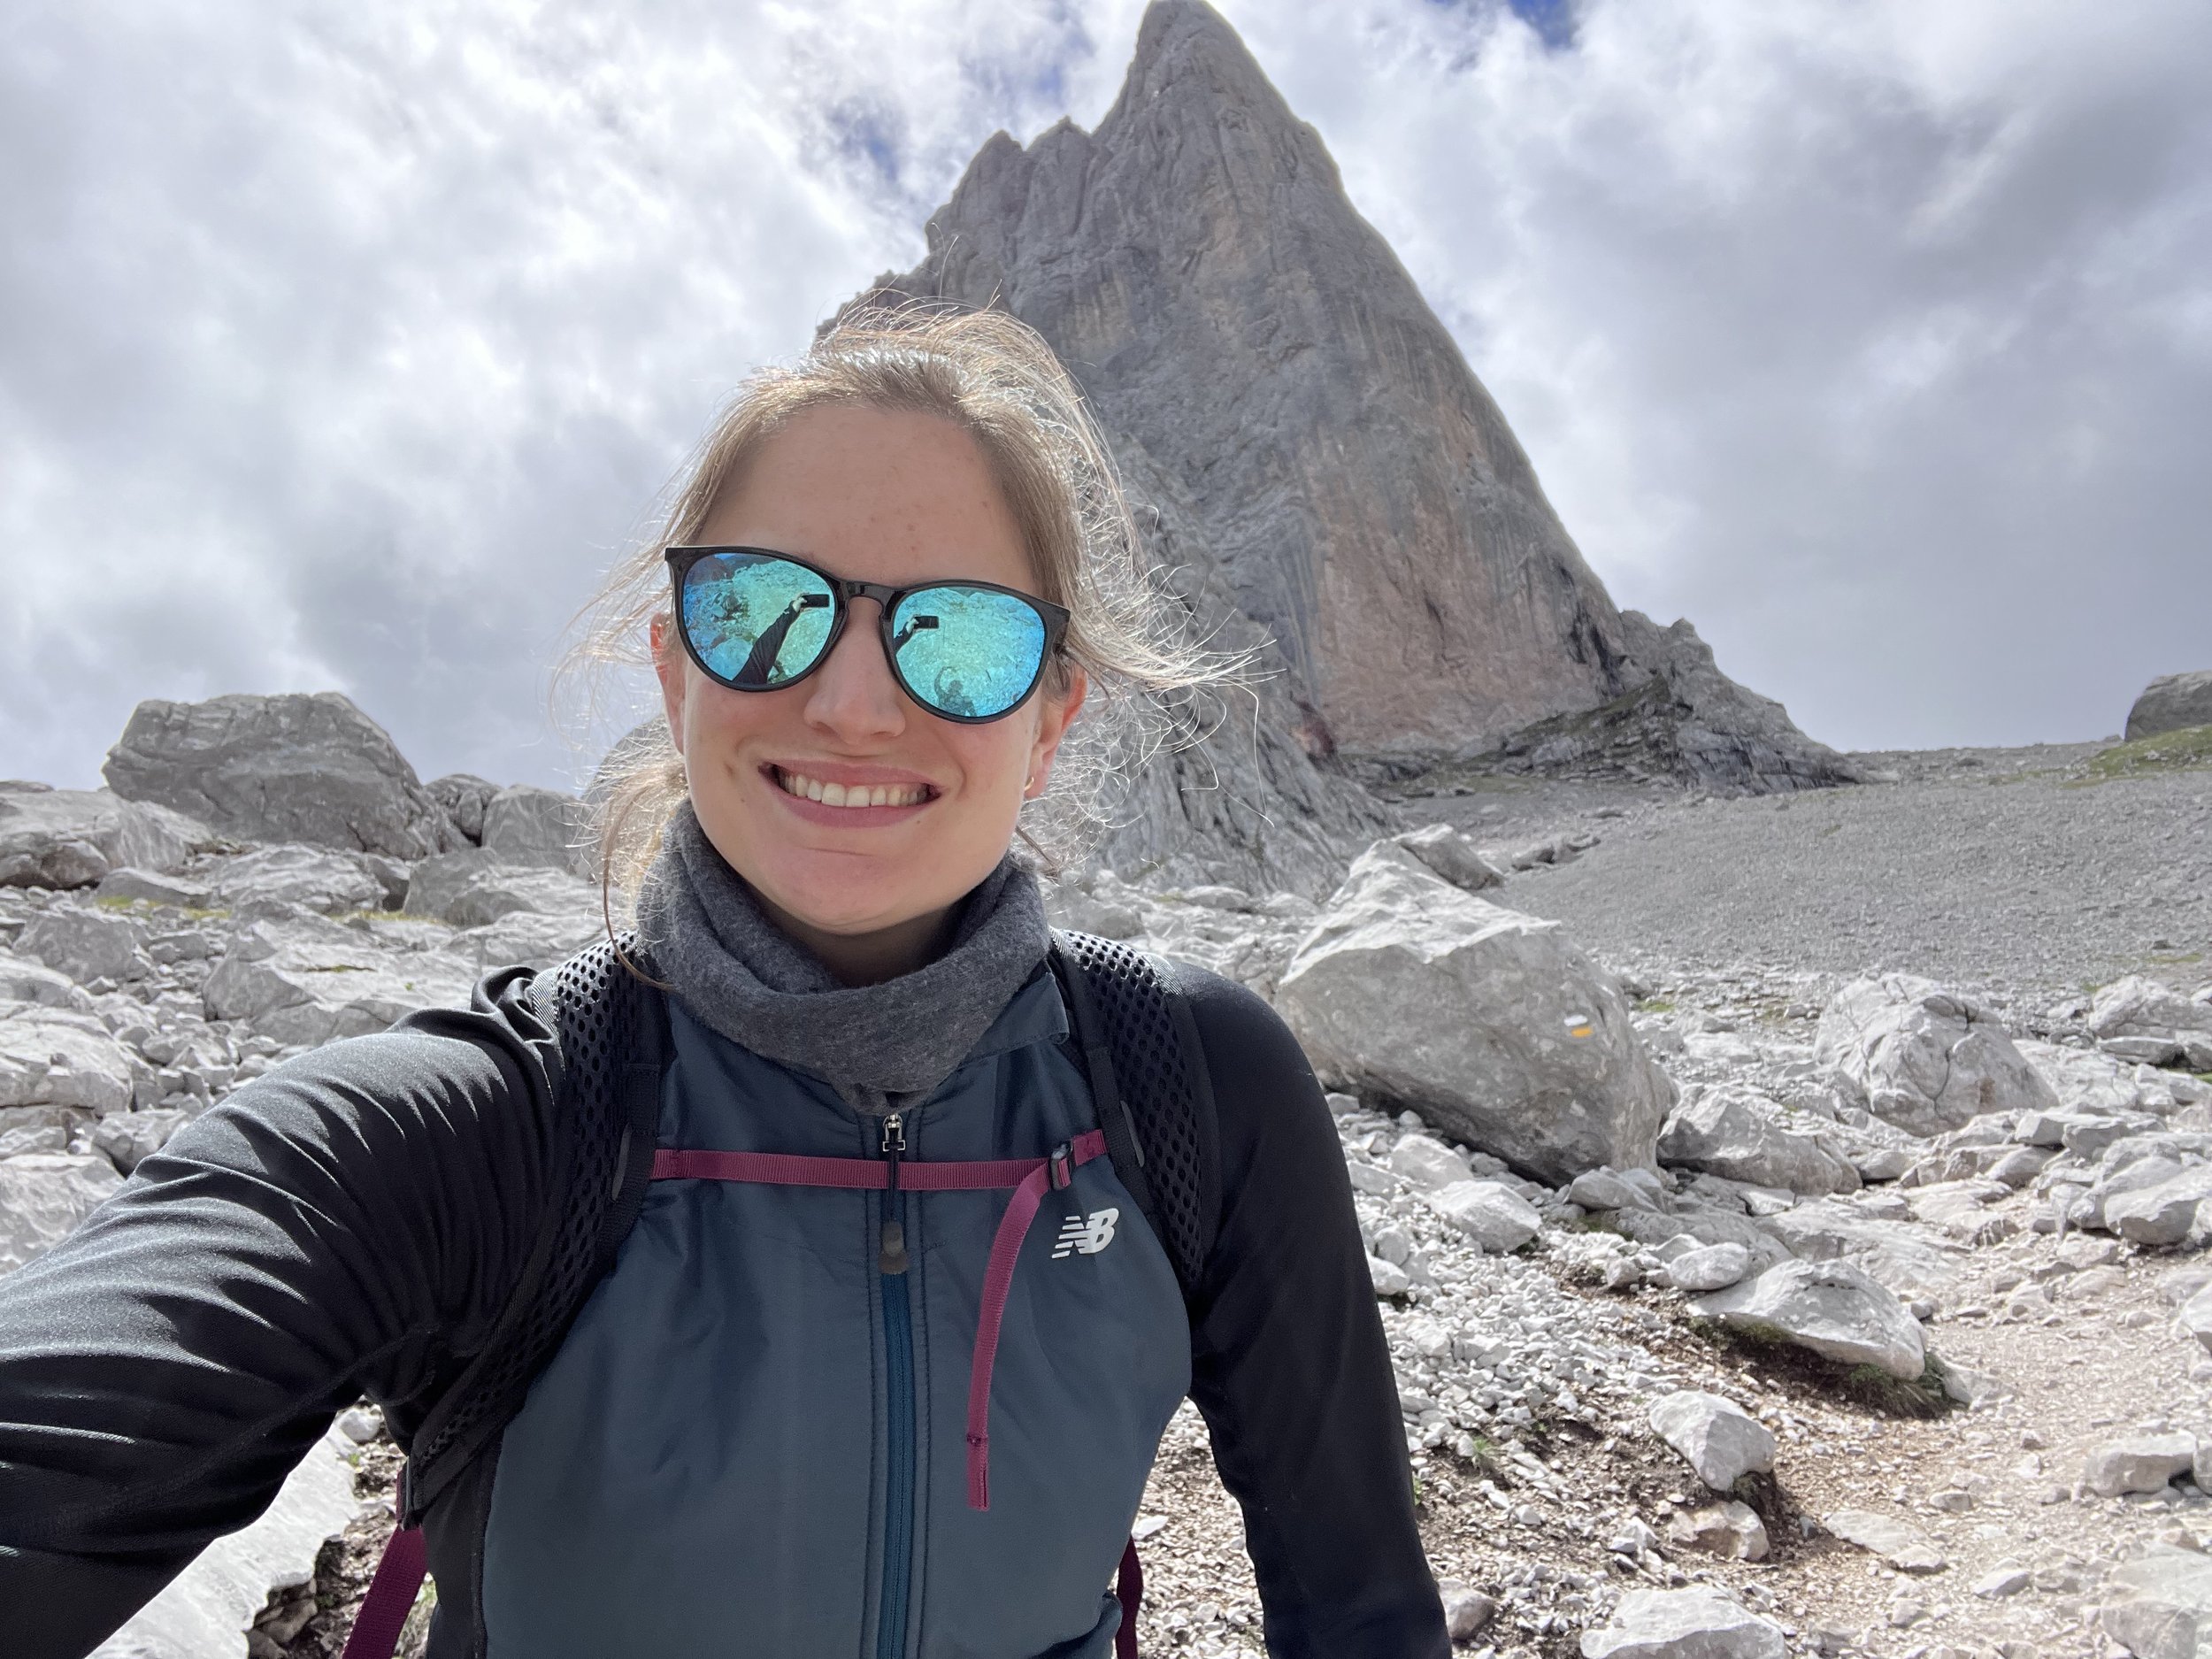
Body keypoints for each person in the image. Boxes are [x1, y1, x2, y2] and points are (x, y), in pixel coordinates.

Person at [0, 308, 1448, 1657]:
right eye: (766, 608)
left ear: (1051, 715)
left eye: (960, 635)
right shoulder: (488, 1125)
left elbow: (1364, 1608)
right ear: (675, 671)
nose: (856, 701)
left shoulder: (1193, 1084)